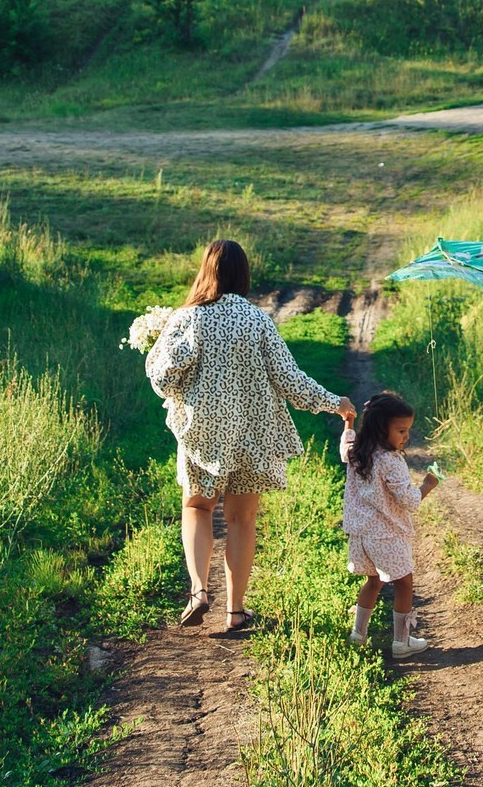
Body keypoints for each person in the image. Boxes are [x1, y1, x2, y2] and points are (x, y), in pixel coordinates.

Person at [146, 239, 355, 632]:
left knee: (197, 507)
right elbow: (289, 379)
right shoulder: (257, 320)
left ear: (205, 271)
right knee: (242, 519)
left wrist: (181, 385)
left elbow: (160, 377)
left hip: (202, 430)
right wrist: (333, 402)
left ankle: (198, 592)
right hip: (252, 433)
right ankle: (235, 611)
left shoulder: (188, 318)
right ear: (244, 274)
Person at [339, 392, 438, 658]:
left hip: (361, 534)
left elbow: (344, 446)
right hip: (386, 535)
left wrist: (348, 423)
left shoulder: (357, 450)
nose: (406, 437)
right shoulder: (390, 461)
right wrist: (427, 485)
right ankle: (401, 642)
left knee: (373, 581)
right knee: (405, 583)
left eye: (408, 430)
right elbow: (409, 501)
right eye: (401, 431)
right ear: (382, 429)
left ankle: (358, 635)